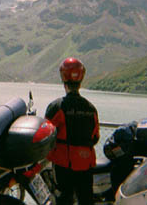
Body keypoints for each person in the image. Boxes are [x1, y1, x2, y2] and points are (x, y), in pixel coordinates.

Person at [44, 57, 100, 205]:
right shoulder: (91, 108)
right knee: (86, 200)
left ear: (63, 78)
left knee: (64, 199)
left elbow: (46, 133)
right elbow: (95, 137)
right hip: (86, 164)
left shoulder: (57, 107)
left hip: (64, 164)